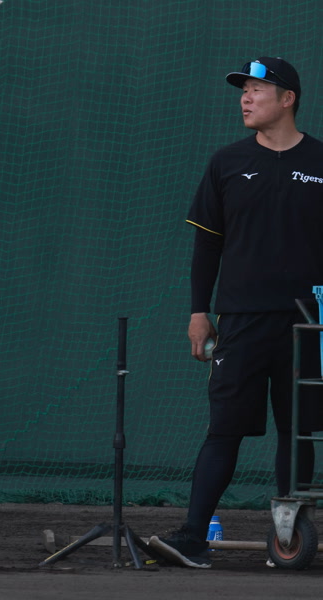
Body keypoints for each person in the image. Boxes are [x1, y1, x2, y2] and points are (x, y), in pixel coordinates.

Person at [150, 57, 323, 569]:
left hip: (307, 322)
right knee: (223, 429)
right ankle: (192, 538)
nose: (246, 98)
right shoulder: (226, 162)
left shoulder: (321, 160)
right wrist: (198, 312)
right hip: (241, 320)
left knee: (298, 428)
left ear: (288, 98)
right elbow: (207, 246)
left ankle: (289, 538)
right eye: (243, 90)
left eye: (257, 89)